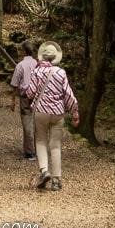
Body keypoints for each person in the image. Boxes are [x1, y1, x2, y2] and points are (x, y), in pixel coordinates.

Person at [25, 40, 79, 192]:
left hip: (41, 111)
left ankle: (44, 171)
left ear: (42, 57)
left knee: (41, 141)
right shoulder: (61, 73)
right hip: (57, 112)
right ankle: (56, 180)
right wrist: (75, 112)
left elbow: (30, 92)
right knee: (55, 145)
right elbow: (68, 94)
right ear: (55, 58)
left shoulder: (36, 72)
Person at [10, 40, 37, 159]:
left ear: (24, 51)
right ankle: (38, 148)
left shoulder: (20, 65)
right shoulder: (38, 64)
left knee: (27, 122)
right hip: (37, 95)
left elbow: (15, 84)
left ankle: (30, 151)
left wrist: (13, 100)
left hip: (25, 96)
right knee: (37, 122)